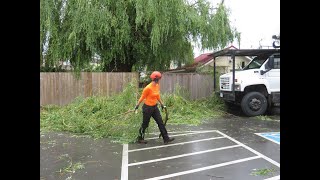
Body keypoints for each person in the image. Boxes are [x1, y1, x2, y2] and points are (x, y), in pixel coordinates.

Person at [134, 71, 175, 144]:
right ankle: (140, 138)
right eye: (158, 79)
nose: (159, 80)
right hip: (147, 108)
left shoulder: (157, 86)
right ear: (155, 79)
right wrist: (137, 105)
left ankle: (166, 138)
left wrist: (162, 104)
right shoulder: (148, 88)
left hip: (154, 107)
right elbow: (142, 97)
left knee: (160, 122)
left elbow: (157, 96)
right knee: (145, 124)